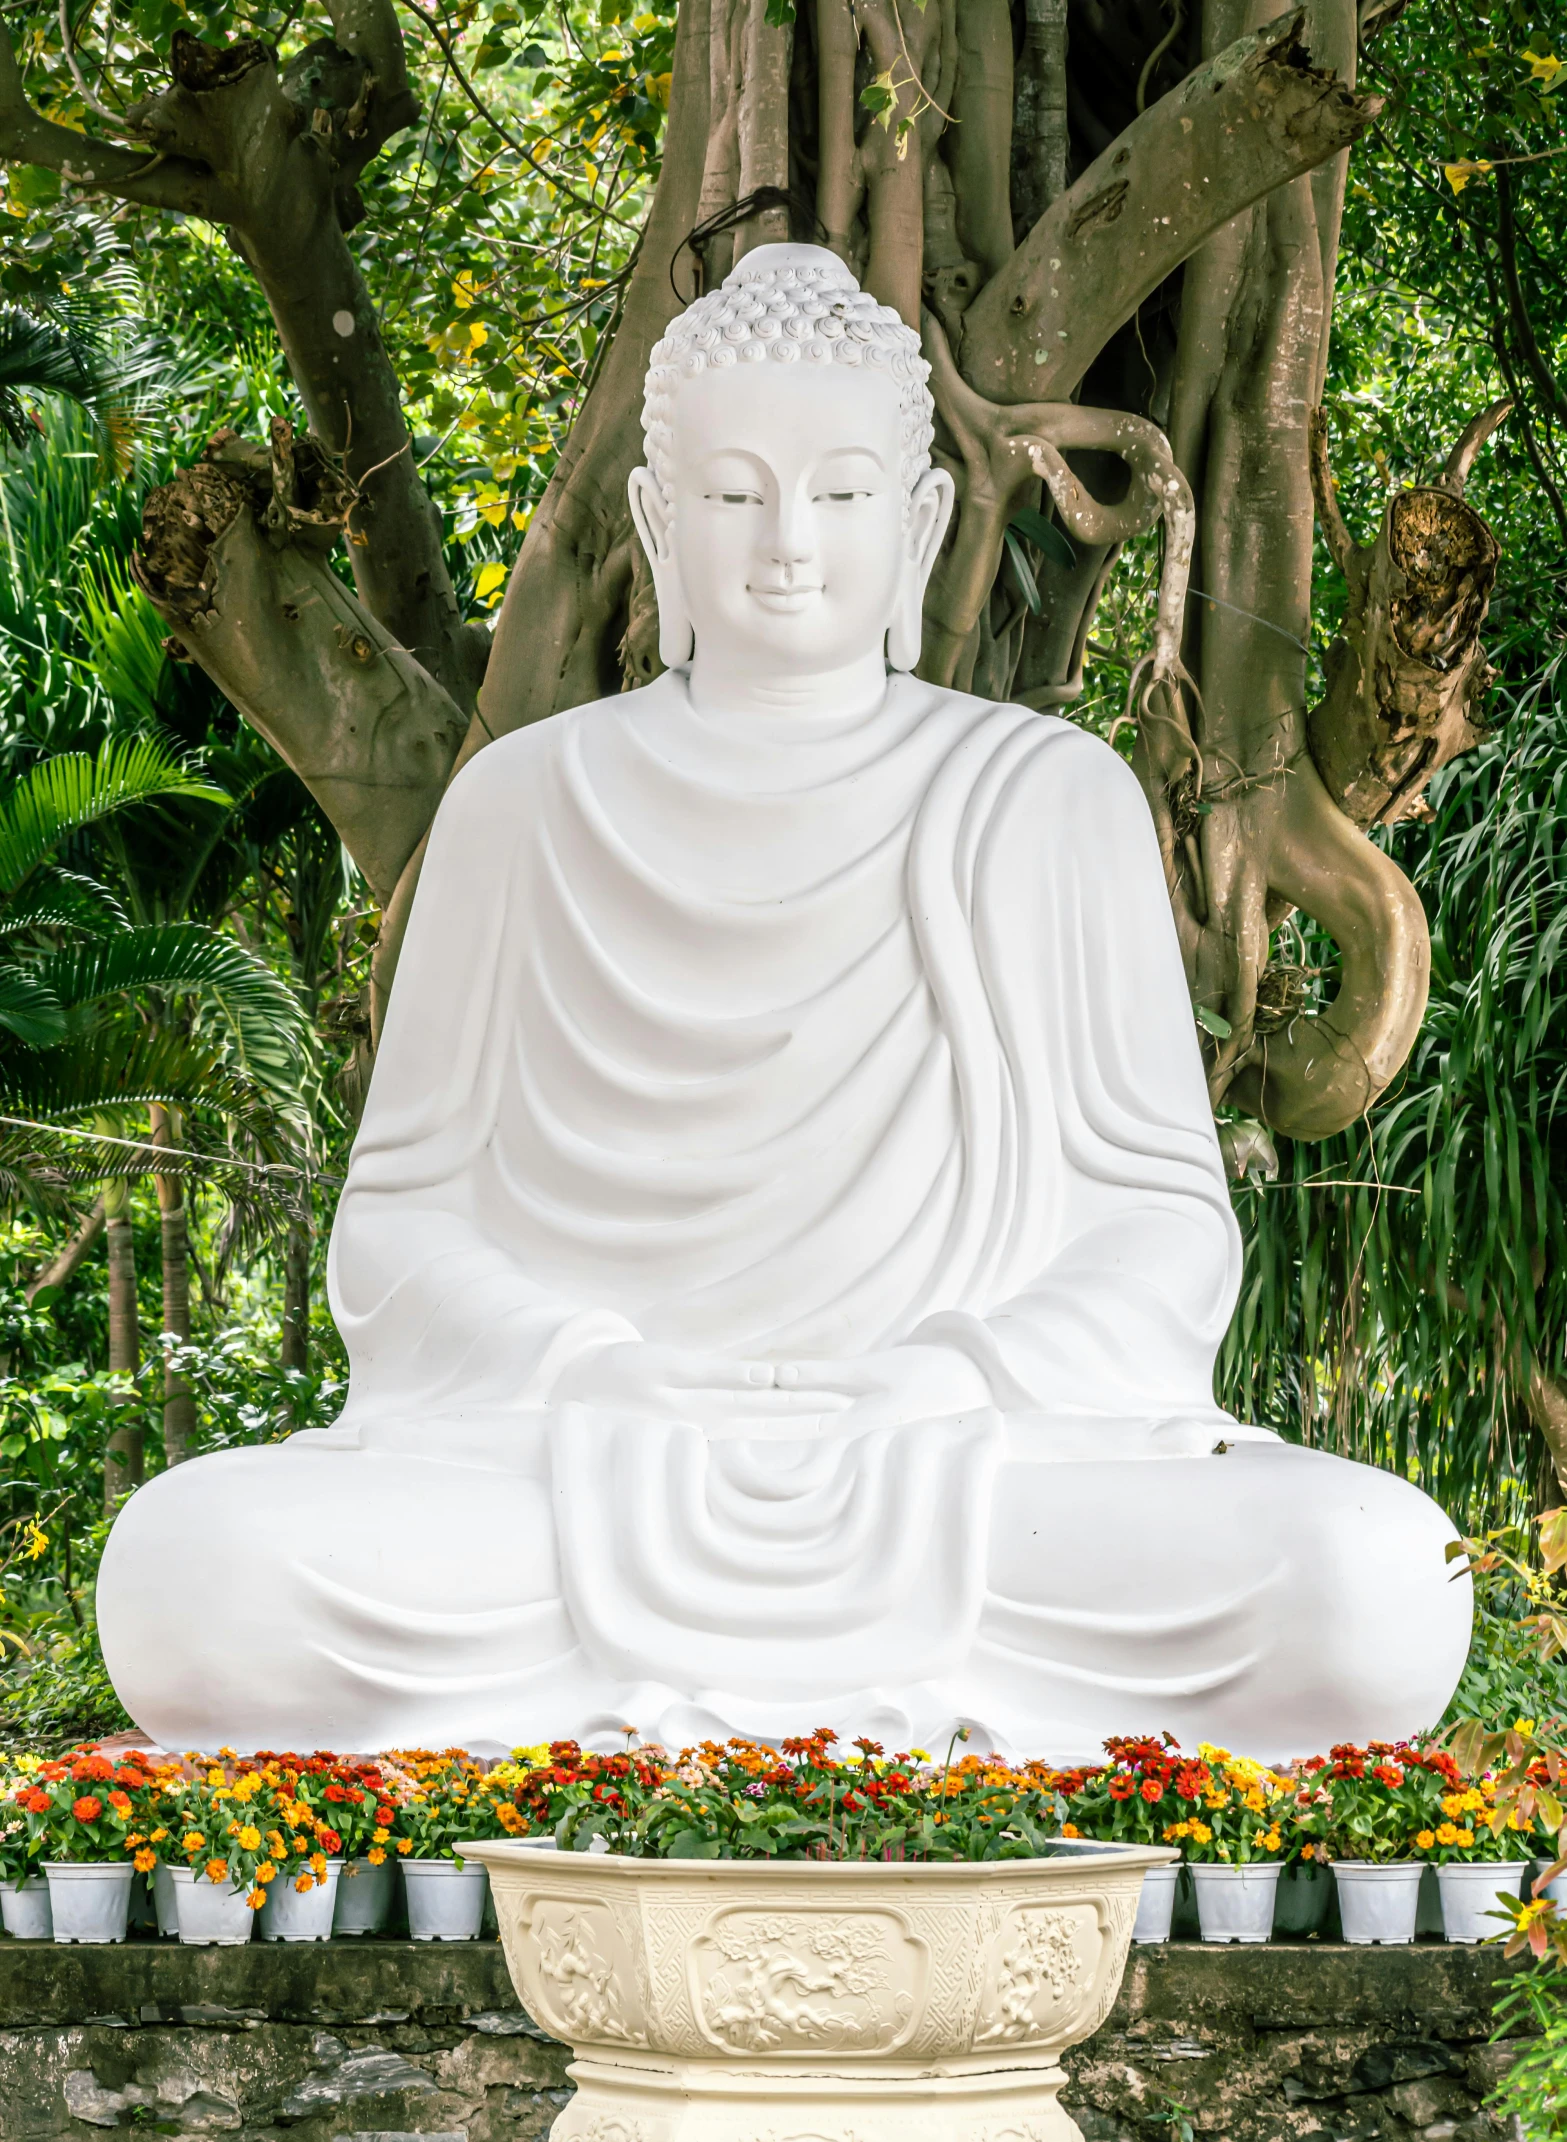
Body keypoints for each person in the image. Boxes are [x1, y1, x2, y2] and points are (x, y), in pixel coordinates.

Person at [97, 245, 1469, 1759]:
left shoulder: (1040, 798)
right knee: (198, 1572)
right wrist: (586, 1372)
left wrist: (957, 1374)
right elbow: (399, 1227)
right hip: (583, 1460)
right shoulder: (525, 803)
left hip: (963, 1468)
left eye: (839, 495)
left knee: (1367, 1578)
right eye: (736, 497)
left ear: (925, 522)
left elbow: (1161, 1229)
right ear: (655, 527)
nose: (788, 548)